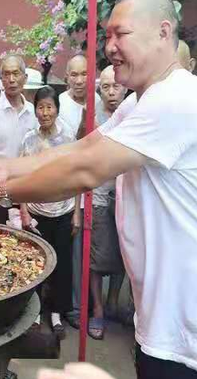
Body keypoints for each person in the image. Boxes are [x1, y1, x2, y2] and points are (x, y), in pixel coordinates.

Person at [0, 0, 197, 378]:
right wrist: (6, 167)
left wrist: (1, 193)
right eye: (107, 36)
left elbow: (86, 171)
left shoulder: (179, 98)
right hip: (167, 322)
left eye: (120, 34)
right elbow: (85, 147)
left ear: (163, 32)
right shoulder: (142, 98)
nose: (108, 47)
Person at [74, 65, 127, 340]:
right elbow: (78, 156)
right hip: (98, 198)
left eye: (115, 86)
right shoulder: (92, 118)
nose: (111, 92)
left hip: (127, 199)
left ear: (125, 87)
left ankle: (113, 302)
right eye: (105, 87)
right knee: (96, 260)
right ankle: (97, 309)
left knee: (123, 256)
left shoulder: (134, 115)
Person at [19, 86, 75, 338]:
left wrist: (77, 213)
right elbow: (22, 177)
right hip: (37, 212)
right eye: (40, 107)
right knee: (36, 265)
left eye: (49, 107)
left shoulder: (68, 137)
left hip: (63, 211)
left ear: (57, 109)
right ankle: (35, 314)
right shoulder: (29, 139)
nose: (45, 112)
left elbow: (76, 176)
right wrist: (24, 212)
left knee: (62, 265)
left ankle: (56, 314)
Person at [0, 55, 37, 223]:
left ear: (24, 78)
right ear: (1, 79)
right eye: (6, 74)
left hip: (28, 191)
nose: (11, 79)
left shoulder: (33, 112)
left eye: (16, 74)